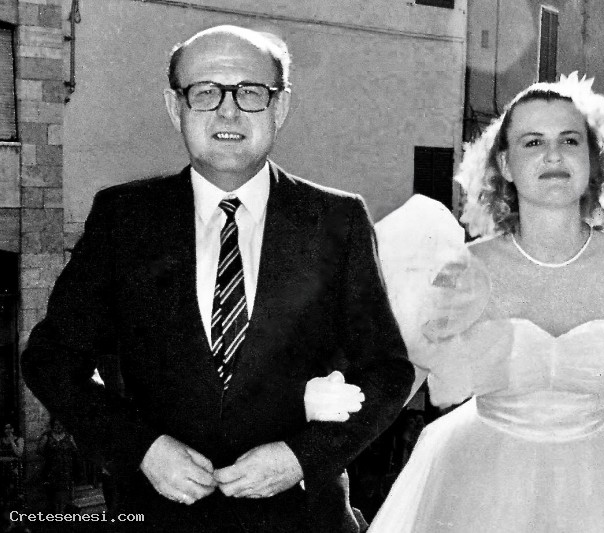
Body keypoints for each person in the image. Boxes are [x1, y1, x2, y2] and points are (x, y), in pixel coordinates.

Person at [21, 25, 413, 532]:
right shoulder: (125, 220)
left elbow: (388, 372)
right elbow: (50, 360)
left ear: (280, 106)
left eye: (250, 92)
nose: (228, 112)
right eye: (205, 92)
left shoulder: (337, 221)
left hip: (301, 520)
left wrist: (301, 457)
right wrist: (142, 449)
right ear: (175, 107)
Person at [368, 74, 604, 532]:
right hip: (480, 486)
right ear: (505, 164)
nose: (553, 155)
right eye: (533, 142)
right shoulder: (464, 270)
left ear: (592, 159)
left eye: (569, 139)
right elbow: (400, 383)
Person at [38, 418, 78, 513]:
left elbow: (75, 450)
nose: (59, 427)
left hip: (66, 469)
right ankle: (56, 513)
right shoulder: (47, 436)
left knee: (64, 494)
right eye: (56, 424)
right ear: (52, 425)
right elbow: (39, 450)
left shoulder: (69, 436)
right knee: (54, 494)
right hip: (52, 470)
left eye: (61, 424)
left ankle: (63, 512)